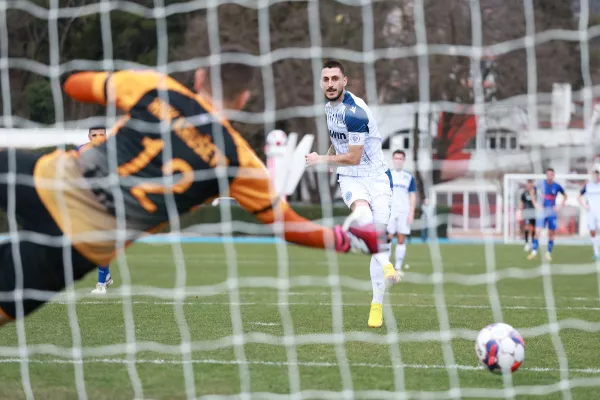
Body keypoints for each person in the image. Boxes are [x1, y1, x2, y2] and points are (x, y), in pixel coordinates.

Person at [0, 52, 384, 327]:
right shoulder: (238, 159)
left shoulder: (158, 88)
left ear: (199, 78)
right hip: (80, 244)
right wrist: (347, 239)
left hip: (39, 179)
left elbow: (74, 85)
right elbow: (290, 227)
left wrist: (116, 90)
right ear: (244, 99)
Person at [305, 60, 401, 329]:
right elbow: (342, 148)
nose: (330, 84)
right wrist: (331, 158)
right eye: (326, 79)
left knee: (378, 237)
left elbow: (356, 158)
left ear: (344, 81)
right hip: (350, 177)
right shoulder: (328, 107)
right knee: (363, 216)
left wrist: (320, 160)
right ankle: (388, 265)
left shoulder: (355, 112)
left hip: (377, 177)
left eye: (335, 78)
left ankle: (377, 303)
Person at [77, 127, 114, 294]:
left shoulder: (115, 152)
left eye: (101, 134)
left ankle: (102, 283)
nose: (98, 137)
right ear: (89, 137)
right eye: (94, 135)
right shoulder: (81, 151)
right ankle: (105, 277)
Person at [527, 168, 567, 262]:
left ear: (553, 175)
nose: (549, 176)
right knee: (537, 231)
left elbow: (565, 196)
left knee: (551, 233)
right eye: (548, 174)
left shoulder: (557, 186)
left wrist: (559, 206)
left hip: (552, 212)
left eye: (551, 174)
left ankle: (548, 253)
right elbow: (532, 191)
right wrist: (535, 204)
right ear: (546, 175)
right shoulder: (540, 184)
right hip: (542, 211)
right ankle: (533, 253)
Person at [387, 150, 416, 271]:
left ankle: (398, 267)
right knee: (387, 238)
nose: (398, 160)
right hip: (390, 211)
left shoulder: (409, 177)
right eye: (396, 158)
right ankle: (386, 266)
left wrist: (412, 213)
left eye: (400, 158)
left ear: (404, 160)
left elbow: (412, 195)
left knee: (401, 238)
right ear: (393, 160)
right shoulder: (387, 175)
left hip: (404, 211)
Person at [577, 168, 600, 260]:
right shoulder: (588, 186)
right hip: (591, 213)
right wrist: (585, 206)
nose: (595, 177)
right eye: (594, 175)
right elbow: (578, 196)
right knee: (592, 232)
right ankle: (596, 252)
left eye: (597, 175)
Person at [519, 179, 537, 252]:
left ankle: (533, 242)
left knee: (533, 228)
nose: (529, 185)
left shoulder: (535, 193)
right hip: (526, 212)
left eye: (530, 184)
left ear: (532, 185)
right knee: (526, 227)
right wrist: (520, 210)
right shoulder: (524, 193)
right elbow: (521, 202)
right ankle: (526, 243)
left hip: (534, 212)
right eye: (528, 184)